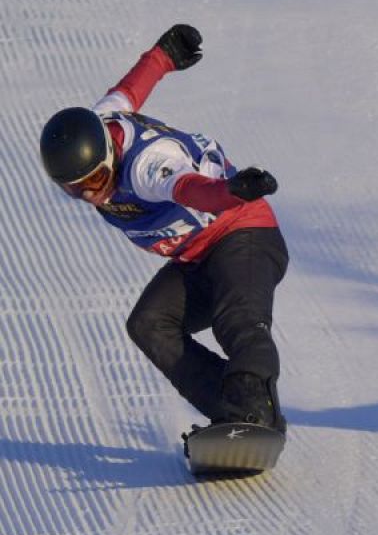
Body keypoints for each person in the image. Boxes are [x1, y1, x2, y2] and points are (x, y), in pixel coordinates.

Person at [38, 24, 289, 434]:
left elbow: (192, 190)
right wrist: (162, 57)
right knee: (149, 323)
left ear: (108, 157)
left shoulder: (148, 165)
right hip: (197, 257)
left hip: (242, 233)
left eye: (95, 182)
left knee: (238, 320)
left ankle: (254, 410)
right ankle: (232, 412)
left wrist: (232, 191)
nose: (89, 196)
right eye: (73, 190)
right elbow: (128, 92)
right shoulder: (99, 123)